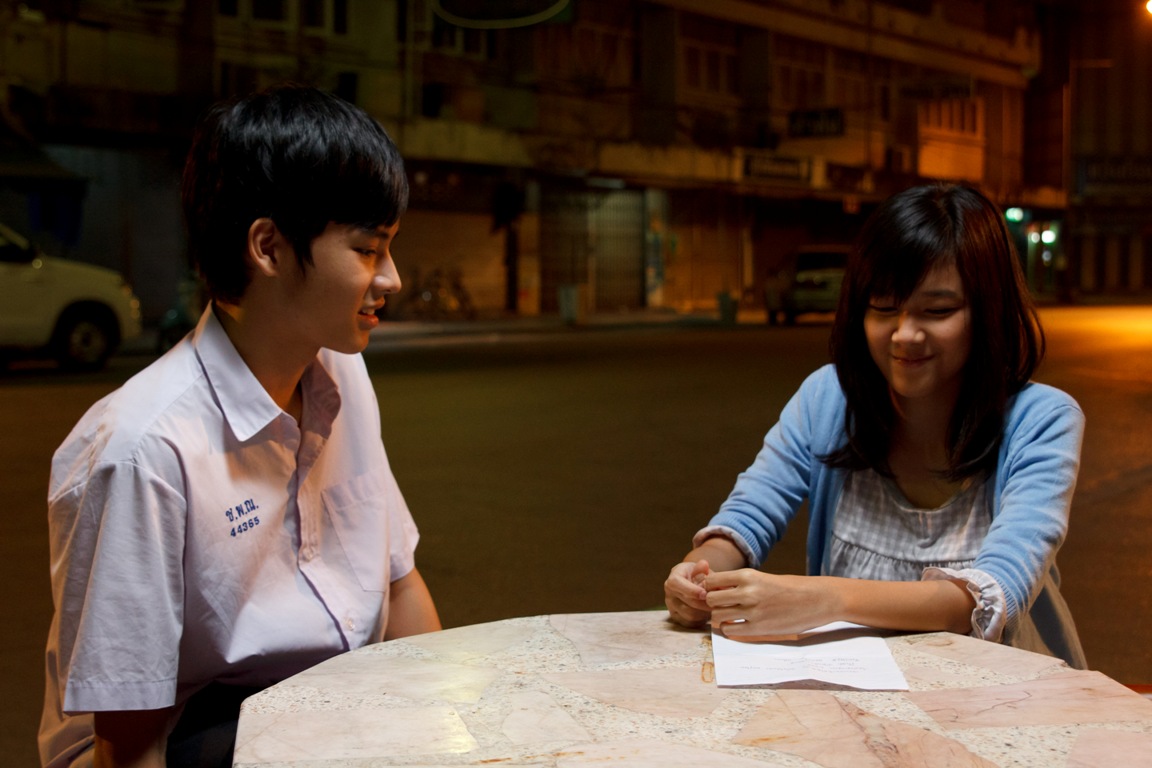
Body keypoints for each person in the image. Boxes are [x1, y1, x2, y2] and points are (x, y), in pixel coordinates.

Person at [39, 84, 442, 768]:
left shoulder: (342, 376)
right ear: (268, 247)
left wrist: (454, 730)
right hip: (189, 742)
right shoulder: (144, 452)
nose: (393, 280)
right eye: (370, 250)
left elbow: (400, 582)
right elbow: (130, 744)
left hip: (325, 715)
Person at [664, 183, 1086, 668]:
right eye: (884, 308)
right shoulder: (827, 398)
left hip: (1011, 702)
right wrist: (698, 575)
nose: (905, 334)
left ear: (987, 312)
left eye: (938, 310)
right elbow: (747, 519)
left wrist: (821, 600)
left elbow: (990, 596)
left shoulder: (1042, 420)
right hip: (861, 698)